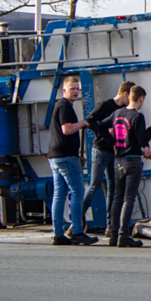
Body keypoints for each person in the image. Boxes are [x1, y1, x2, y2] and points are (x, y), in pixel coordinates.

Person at [99, 84, 151, 247]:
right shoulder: (137, 116)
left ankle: (113, 234)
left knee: (117, 198)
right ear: (140, 98)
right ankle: (123, 235)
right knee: (129, 198)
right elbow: (141, 138)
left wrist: (113, 142)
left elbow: (100, 126)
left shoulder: (117, 113)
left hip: (118, 160)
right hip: (132, 159)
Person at [79, 81, 135, 236]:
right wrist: (104, 131)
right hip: (101, 150)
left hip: (114, 152)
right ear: (125, 94)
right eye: (130, 97)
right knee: (95, 185)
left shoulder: (123, 110)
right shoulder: (106, 105)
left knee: (113, 188)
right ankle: (79, 217)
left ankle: (110, 225)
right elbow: (89, 120)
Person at [47, 76, 98, 246]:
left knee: (59, 194)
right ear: (64, 90)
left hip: (56, 156)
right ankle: (77, 231)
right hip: (66, 157)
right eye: (72, 89)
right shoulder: (65, 106)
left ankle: (58, 234)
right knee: (77, 192)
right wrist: (83, 123)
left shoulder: (60, 105)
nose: (75, 92)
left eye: (77, 89)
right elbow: (67, 129)